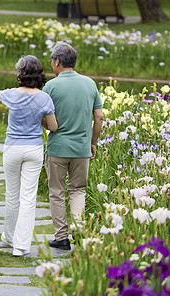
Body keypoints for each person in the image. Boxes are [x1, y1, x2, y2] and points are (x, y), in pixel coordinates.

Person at [0, 55, 58, 257]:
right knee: (28, 198)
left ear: (21, 74)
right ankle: (21, 246)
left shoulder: (12, 94)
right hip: (33, 150)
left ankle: (8, 237)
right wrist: (40, 120)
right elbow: (53, 126)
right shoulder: (44, 98)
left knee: (12, 195)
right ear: (39, 73)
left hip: (13, 149)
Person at [42, 42, 104, 250]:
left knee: (57, 191)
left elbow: (44, 117)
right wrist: (93, 142)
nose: (51, 65)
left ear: (57, 61)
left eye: (52, 61)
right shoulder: (90, 84)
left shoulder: (51, 86)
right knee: (78, 190)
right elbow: (99, 117)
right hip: (81, 148)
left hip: (58, 148)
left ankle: (61, 237)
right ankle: (79, 231)